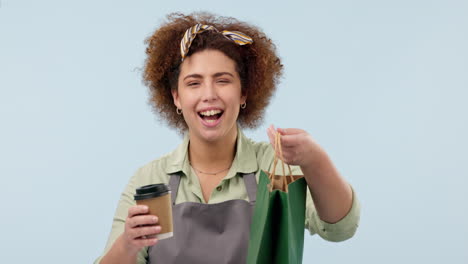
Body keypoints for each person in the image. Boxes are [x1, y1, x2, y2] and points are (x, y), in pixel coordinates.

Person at [95, 12, 360, 264]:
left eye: (222, 80)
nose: (209, 94)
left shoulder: (274, 166)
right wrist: (128, 243)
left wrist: (314, 159)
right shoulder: (151, 180)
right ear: (176, 97)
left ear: (244, 93)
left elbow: (340, 228)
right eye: (194, 83)